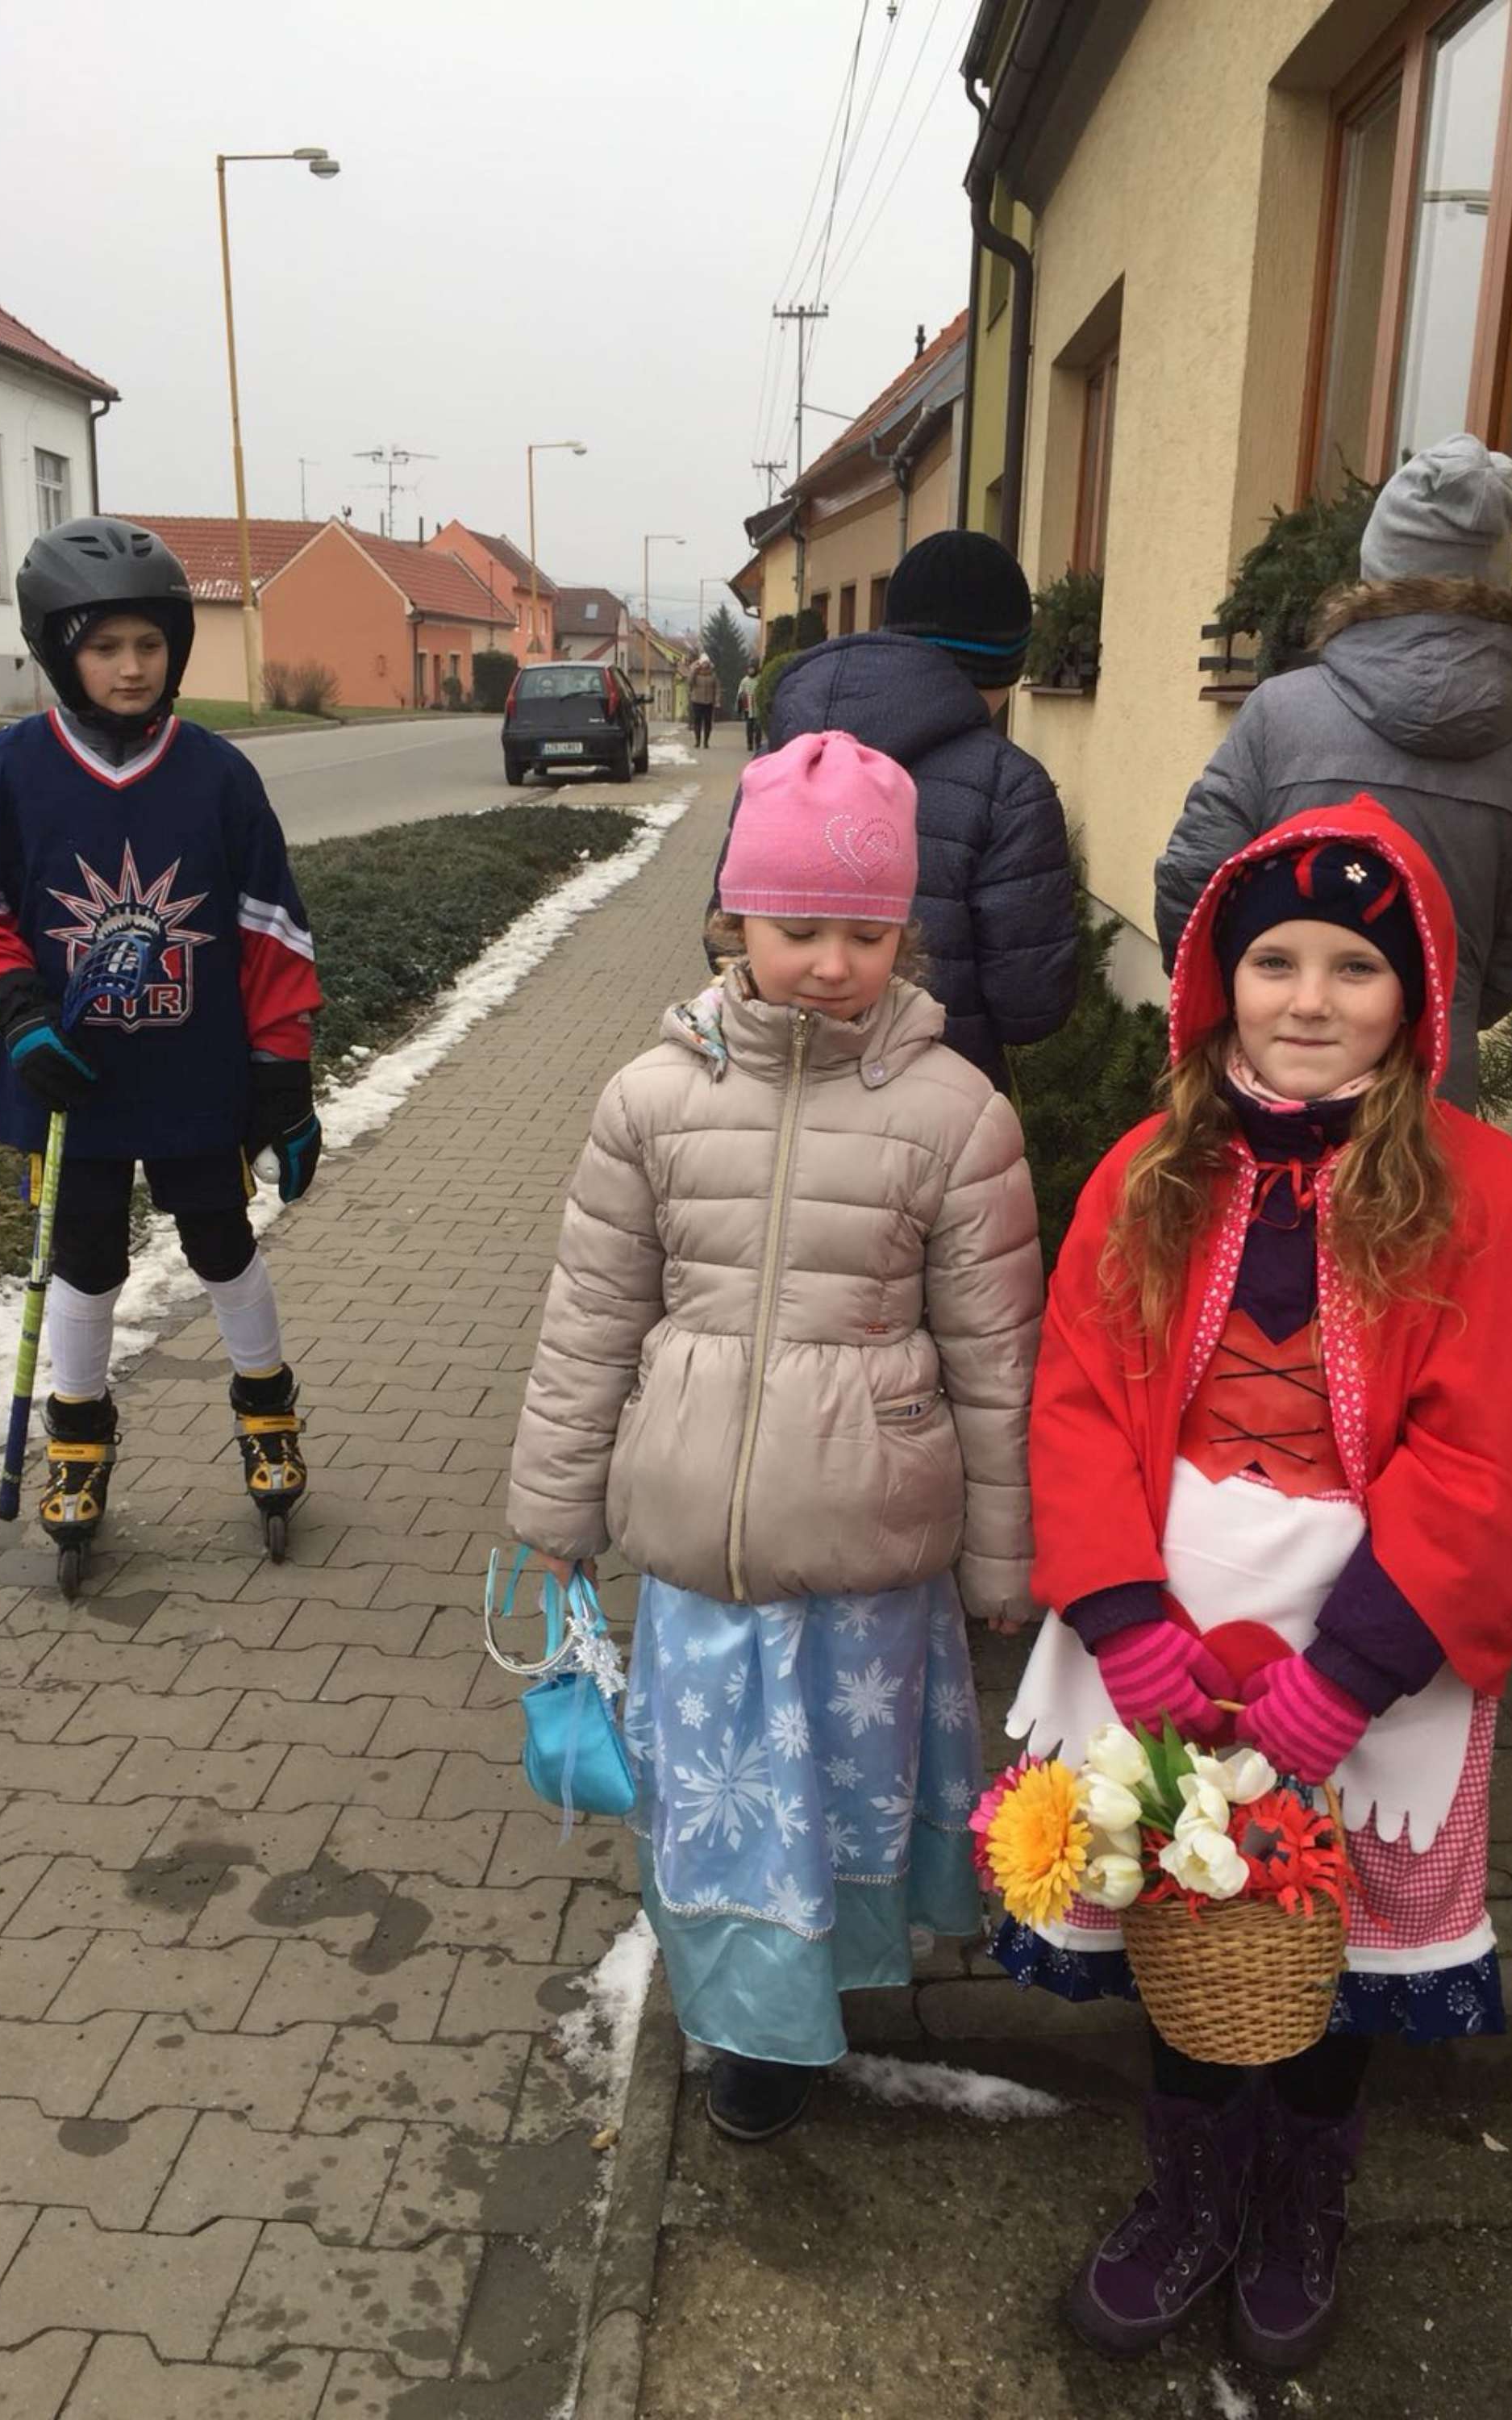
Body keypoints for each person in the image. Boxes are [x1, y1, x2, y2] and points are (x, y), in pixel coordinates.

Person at [999, 800, 1512, 2371]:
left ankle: (1302, 2200)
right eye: (1275, 962)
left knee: (1335, 1949)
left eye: (1353, 968)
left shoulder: (1484, 1196)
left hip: (1375, 1643)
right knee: (1187, 1920)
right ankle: (1190, 2193)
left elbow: (1480, 1453)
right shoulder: (1148, 1174)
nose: (1309, 999)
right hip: (1166, 1631)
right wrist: (1122, 1619)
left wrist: (1353, 1670)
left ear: (1416, 995)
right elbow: (1078, 1399)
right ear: (1219, 979)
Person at [507, 728, 1042, 2144]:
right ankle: (755, 2028)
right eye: (798, 928)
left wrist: (1003, 1555)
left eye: (867, 933)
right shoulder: (651, 1101)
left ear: (905, 936)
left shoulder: (956, 1115)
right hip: (702, 1554)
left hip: (870, 1554)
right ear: (733, 920)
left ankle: (834, 1987)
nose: (831, 963)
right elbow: (590, 1321)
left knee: (840, 1800)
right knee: (726, 1810)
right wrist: (555, 1516)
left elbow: (996, 1358)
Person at [0, 517, 323, 1566]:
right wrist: (16, 1012)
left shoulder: (217, 776)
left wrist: (283, 1074)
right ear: (60, 654)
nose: (132, 667)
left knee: (221, 1244)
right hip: (68, 1081)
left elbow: (271, 932)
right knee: (85, 1260)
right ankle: (79, 1438)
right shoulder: (7, 772)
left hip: (196, 1075)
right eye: (105, 647)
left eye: (149, 645)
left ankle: (268, 1410)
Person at [1154, 433, 1512, 1108]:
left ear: (1378, 565)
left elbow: (1191, 884)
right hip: (1430, 1083)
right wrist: (1439, 1008)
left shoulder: (1280, 712)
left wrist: (1258, 1001)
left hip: (1266, 1074)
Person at [713, 530, 1077, 1091]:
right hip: (940, 1101)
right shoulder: (1010, 785)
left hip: (769, 1091)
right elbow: (1031, 1004)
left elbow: (723, 937)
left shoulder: (785, 758)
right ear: (1008, 665)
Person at [689, 653, 719, 748]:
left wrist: (717, 700)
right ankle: (697, 741)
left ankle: (706, 742)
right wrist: (694, 671)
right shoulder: (695, 673)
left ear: (709, 664)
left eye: (706, 663)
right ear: (700, 663)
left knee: (708, 723)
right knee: (697, 722)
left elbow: (717, 688)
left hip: (709, 702)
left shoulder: (713, 674)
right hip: (697, 701)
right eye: (703, 663)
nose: (705, 665)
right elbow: (690, 683)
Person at [736, 662, 760, 751]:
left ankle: (758, 743)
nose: (751, 671)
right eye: (749, 669)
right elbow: (740, 693)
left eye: (752, 669)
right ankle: (749, 743)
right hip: (748, 707)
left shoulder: (759, 679)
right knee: (749, 726)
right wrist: (739, 705)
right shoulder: (744, 681)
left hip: (757, 706)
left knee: (758, 727)